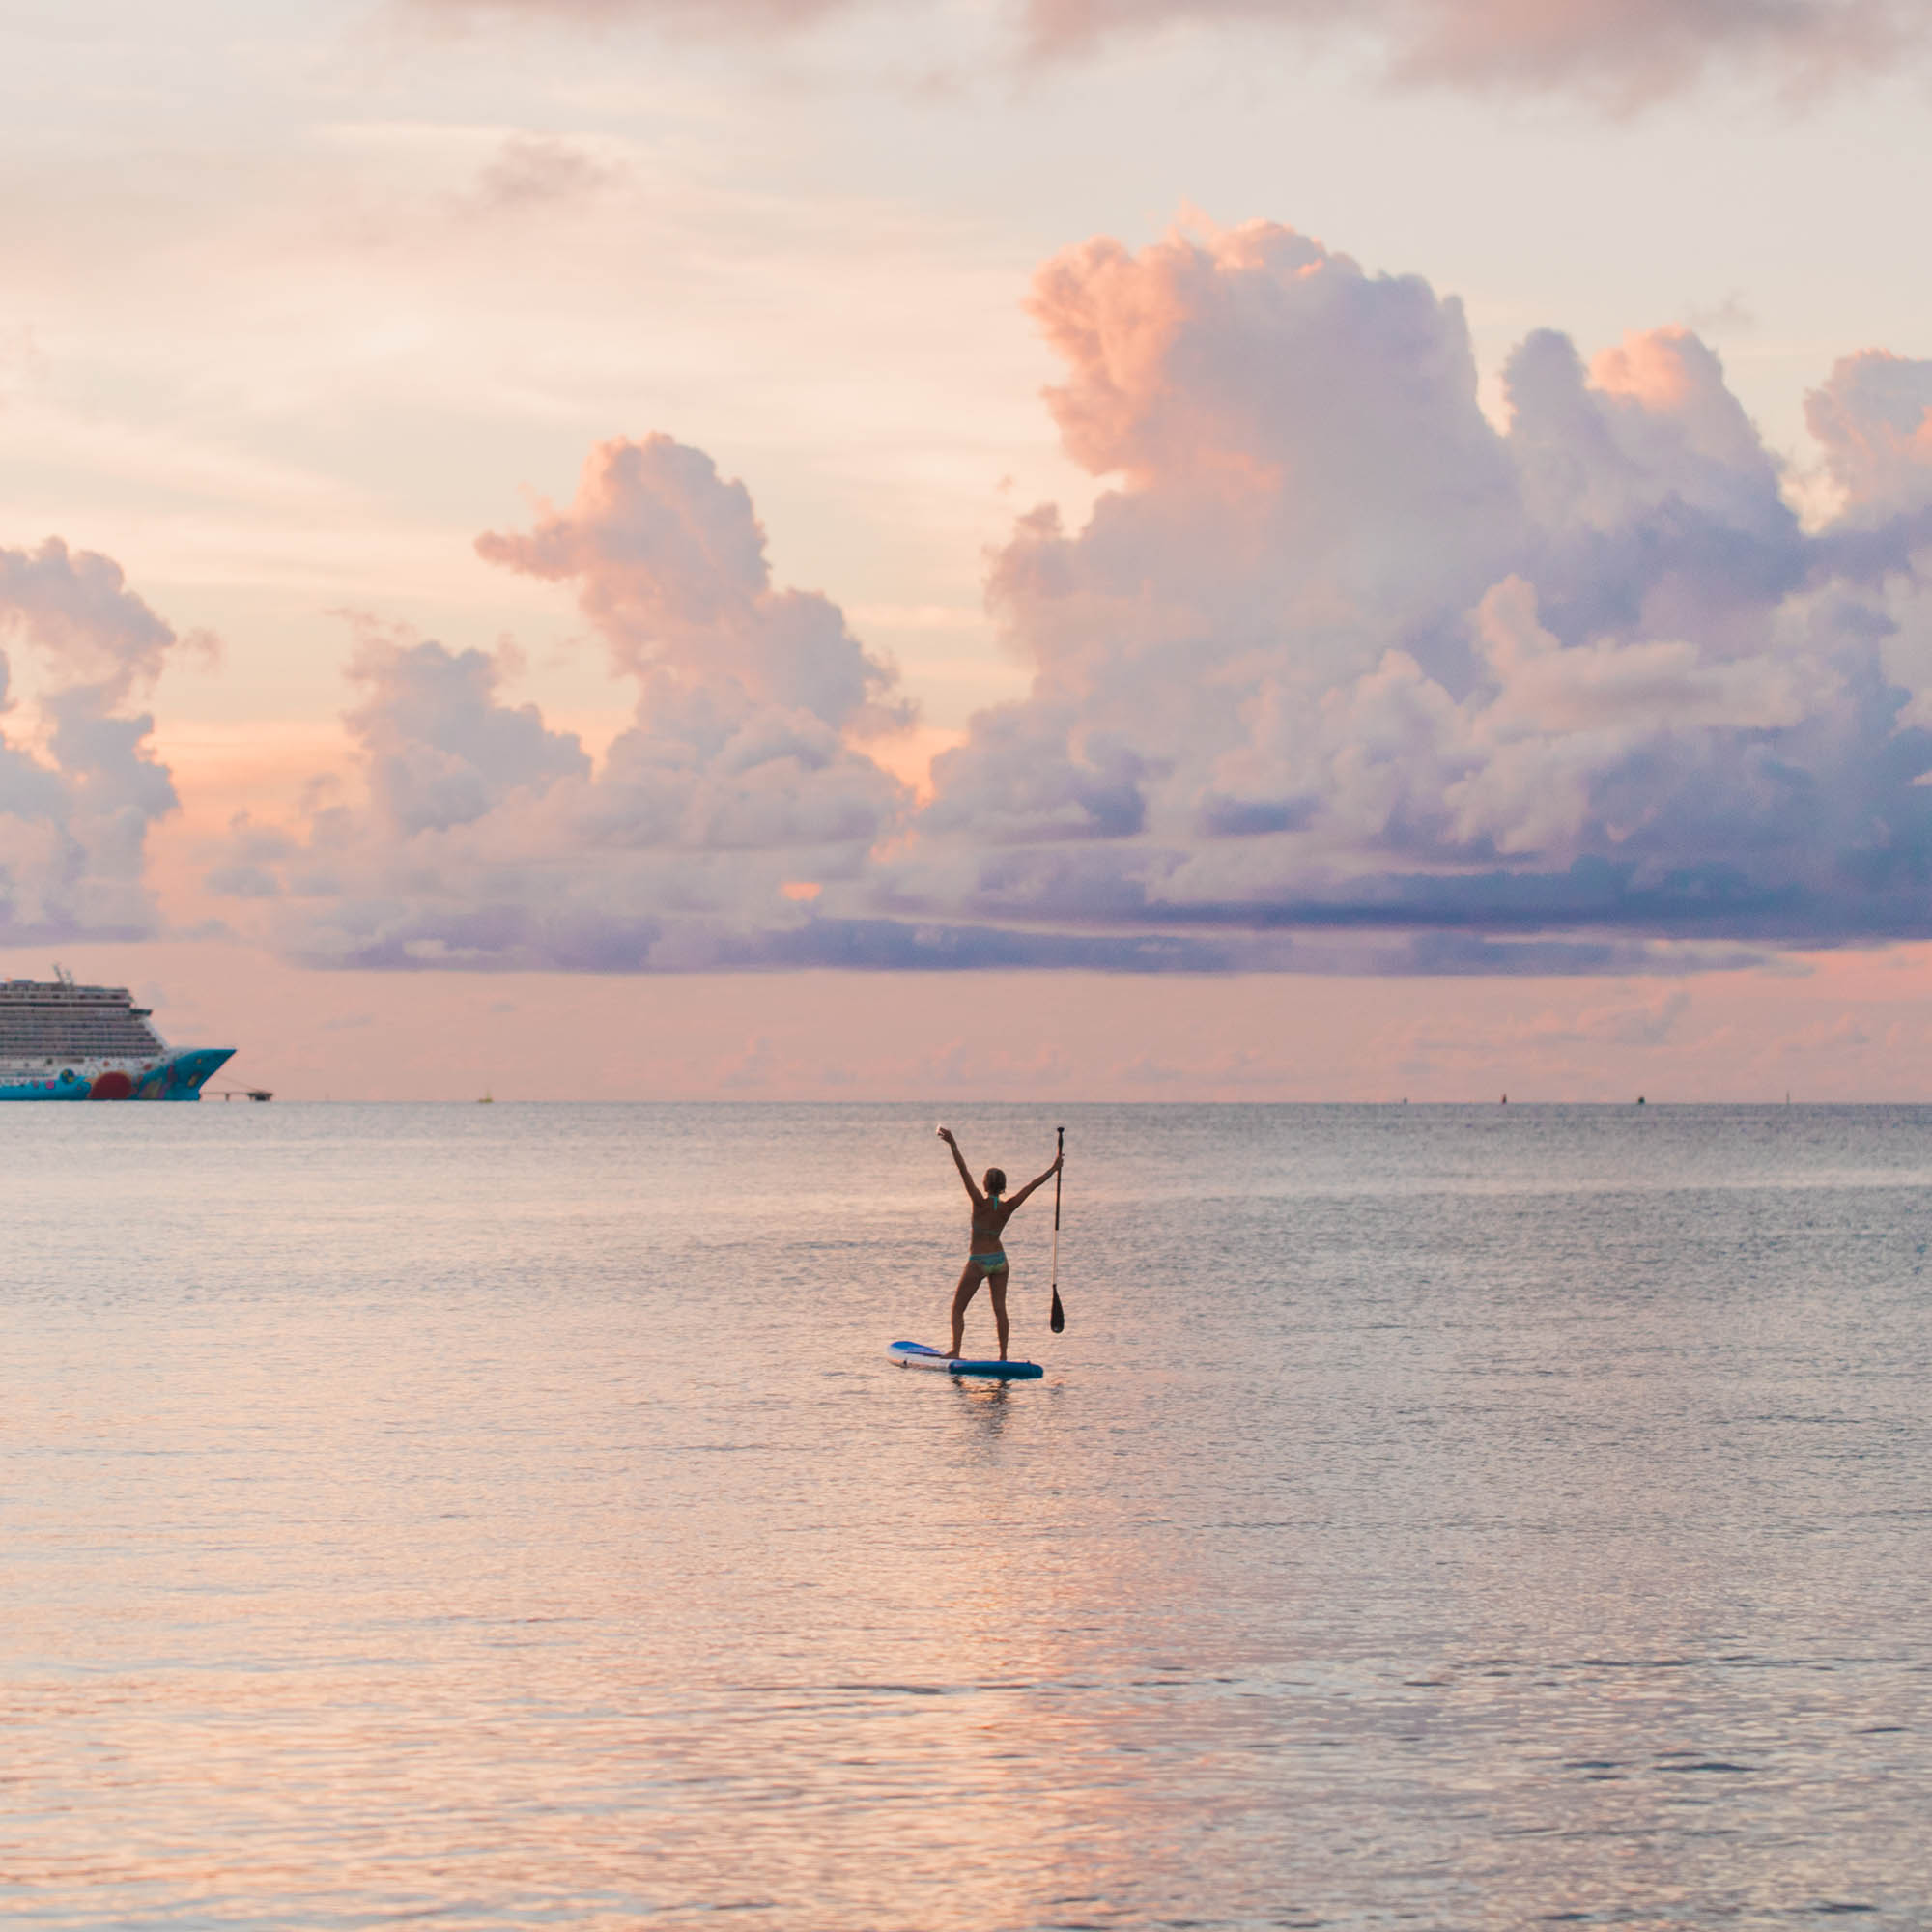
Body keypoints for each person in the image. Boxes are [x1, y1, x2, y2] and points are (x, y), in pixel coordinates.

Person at [935, 1125, 1062, 1360]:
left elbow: (963, 1170)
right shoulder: (1007, 1206)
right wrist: (1053, 1169)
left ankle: (955, 1350)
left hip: (979, 1261)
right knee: (999, 1309)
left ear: (985, 1185)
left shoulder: (978, 1202)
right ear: (1002, 1187)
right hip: (1000, 1261)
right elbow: (1031, 1186)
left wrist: (953, 1143)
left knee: (957, 1308)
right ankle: (1003, 1356)